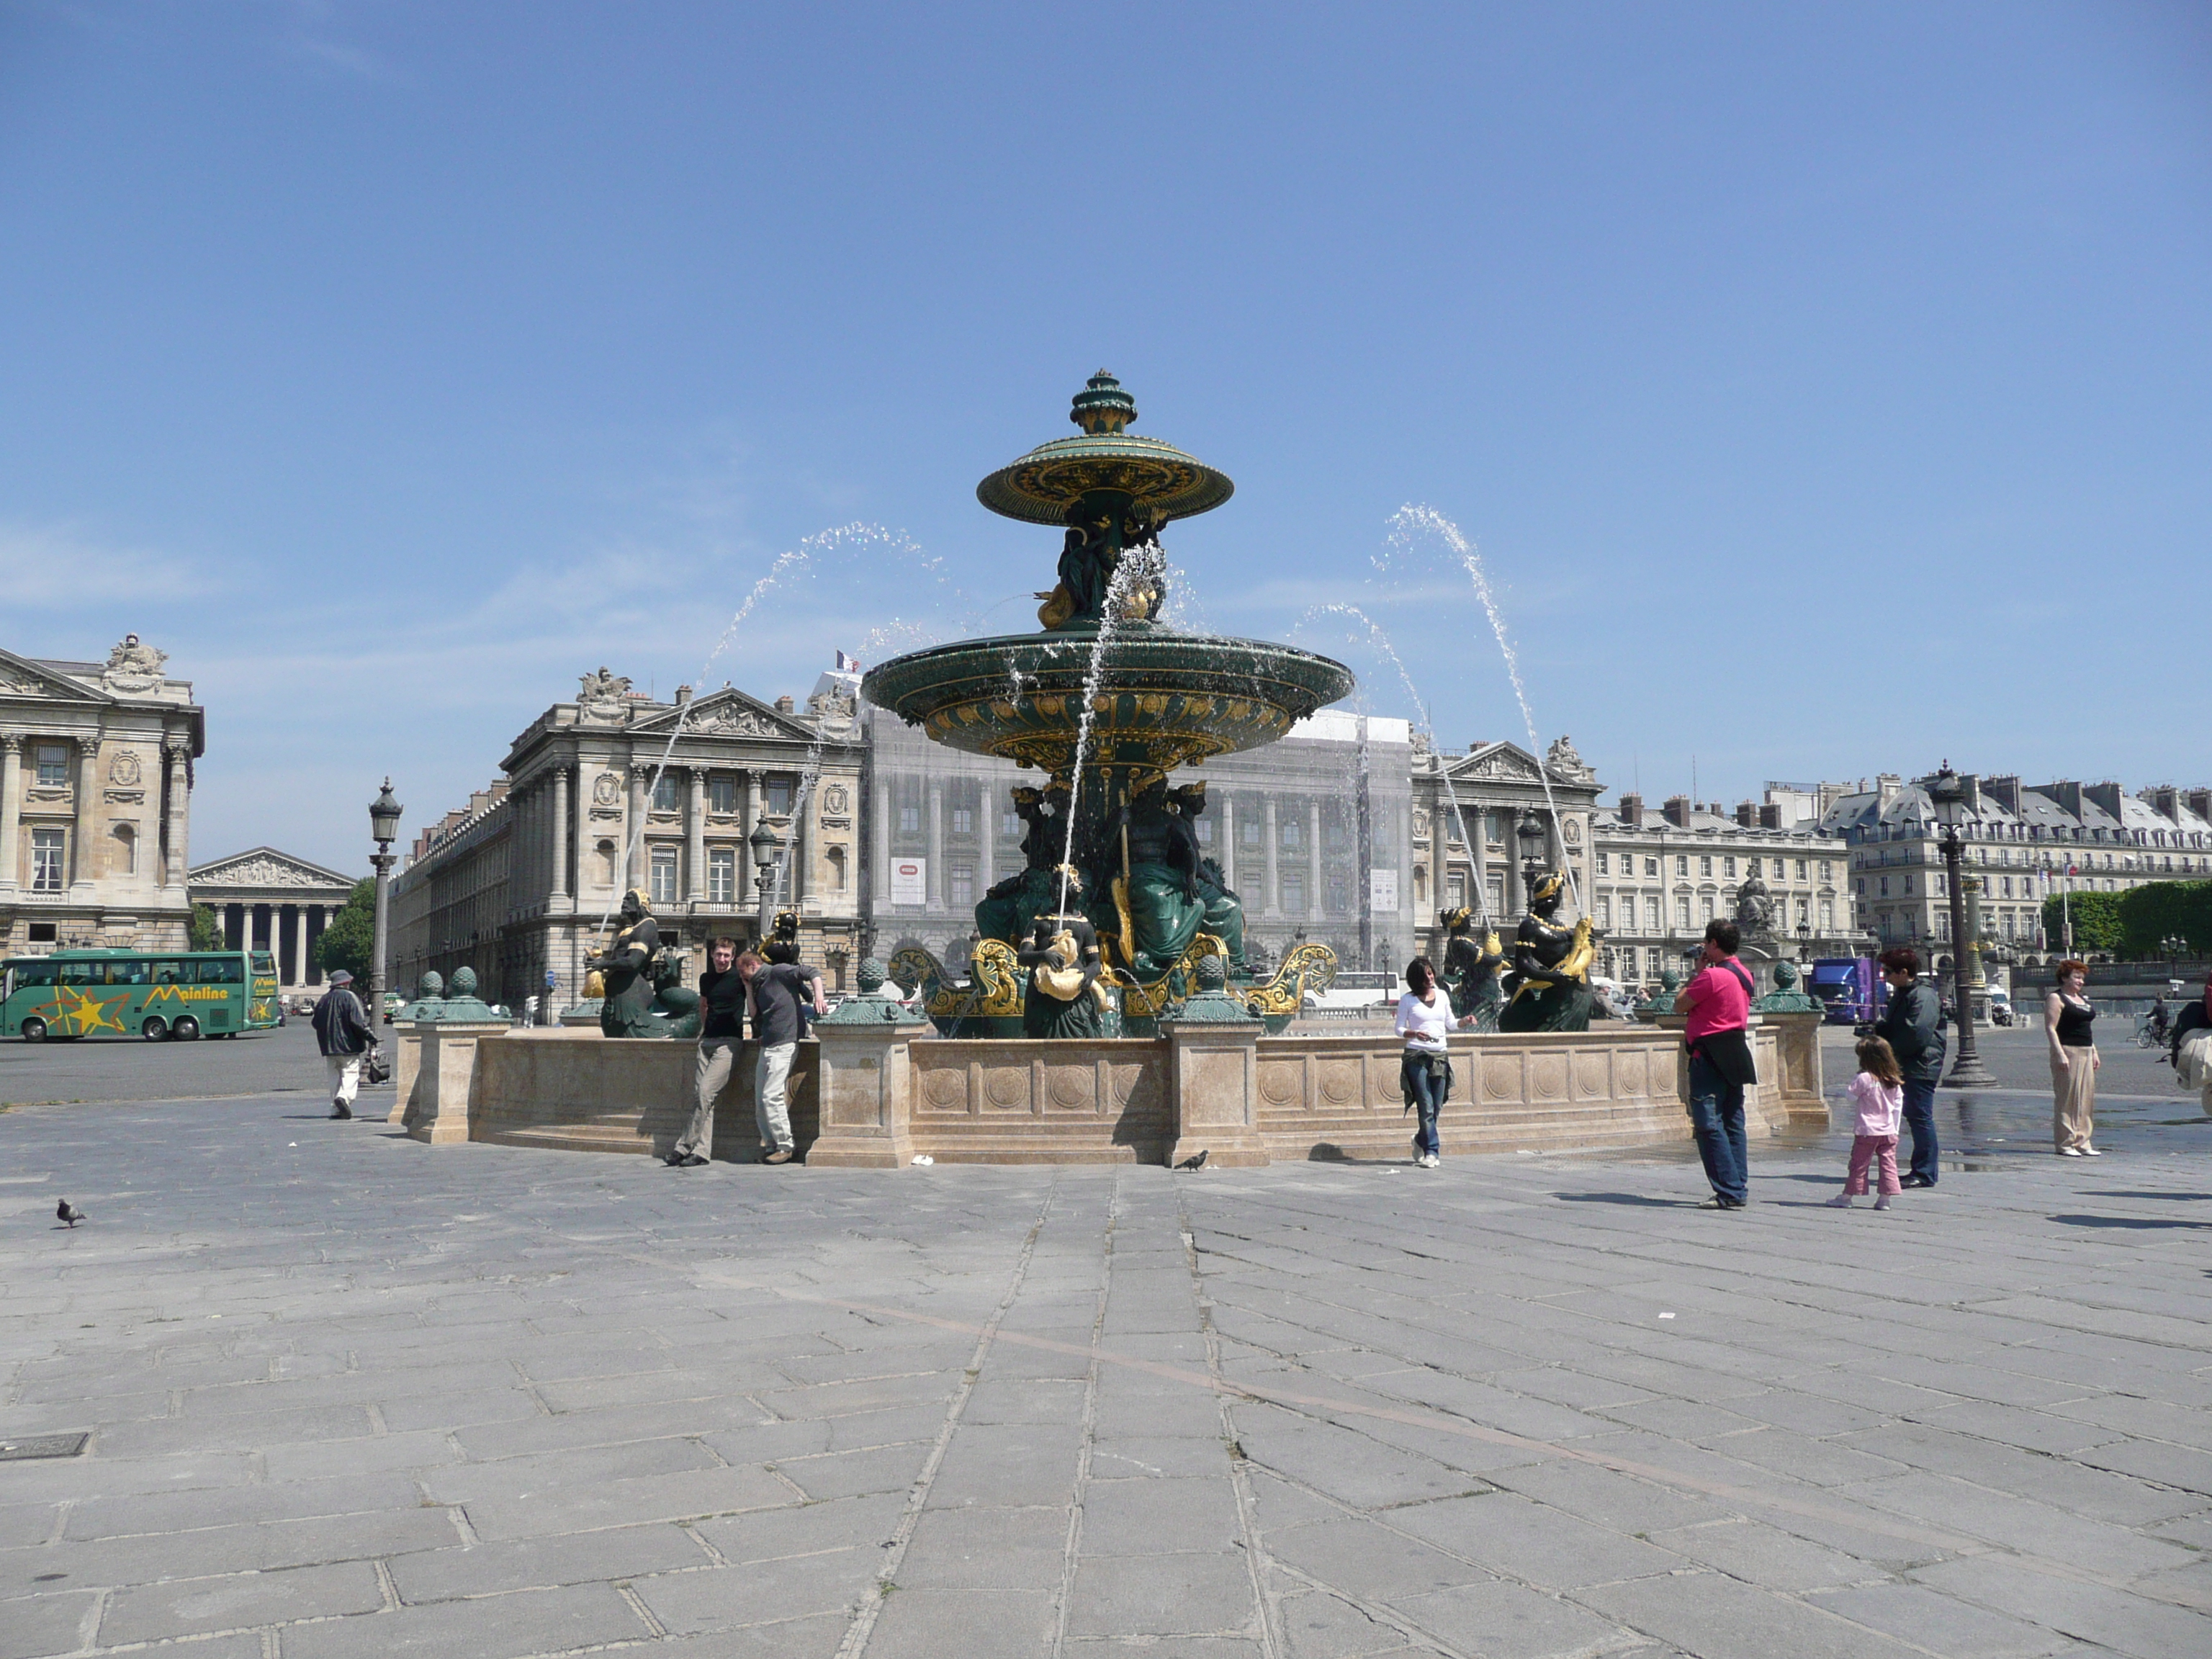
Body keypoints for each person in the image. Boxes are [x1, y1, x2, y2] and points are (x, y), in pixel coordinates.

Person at [1675, 919, 1757, 1210]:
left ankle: (1728, 1190)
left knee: (1708, 1124)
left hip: (1709, 1053)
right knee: (1734, 1122)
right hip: (1736, 1050)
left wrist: (1696, 973)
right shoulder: (1744, 973)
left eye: (1706, 944)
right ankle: (1737, 1185)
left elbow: (1679, 1004)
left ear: (1712, 944)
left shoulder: (1712, 977)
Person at [742, 945, 824, 1164]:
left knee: (771, 1095)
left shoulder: (777, 972)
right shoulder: (757, 984)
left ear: (753, 965)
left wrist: (819, 998)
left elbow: (812, 973)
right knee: (760, 1099)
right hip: (767, 1044)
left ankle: (786, 1146)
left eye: (743, 973)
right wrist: (748, 987)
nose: (743, 978)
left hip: (785, 1043)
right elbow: (753, 1015)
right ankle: (771, 1145)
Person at [1874, 946, 1946, 1188]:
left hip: (1920, 1064)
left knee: (1920, 1116)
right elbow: (1899, 1026)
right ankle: (1922, 1169)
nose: (1884, 976)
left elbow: (1916, 1033)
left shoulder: (1922, 996)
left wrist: (1889, 1053)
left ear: (1904, 972)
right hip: (1911, 1062)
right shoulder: (1904, 992)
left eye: (1887, 971)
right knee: (1915, 1116)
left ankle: (1925, 1172)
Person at [670, 938, 745, 1169]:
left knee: (704, 1093)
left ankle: (683, 1146)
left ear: (733, 957)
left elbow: (755, 1004)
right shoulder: (706, 978)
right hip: (708, 1041)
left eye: (726, 955)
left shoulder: (740, 978)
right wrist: (703, 1030)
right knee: (703, 1099)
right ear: (712, 955)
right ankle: (702, 1152)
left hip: (729, 1043)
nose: (722, 959)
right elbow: (704, 1004)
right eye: (718, 955)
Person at [1396, 956, 1474, 1168]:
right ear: (1416, 979)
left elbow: (1450, 1023)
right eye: (1425, 976)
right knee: (1426, 1105)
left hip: (1439, 1055)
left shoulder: (1441, 995)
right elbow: (1399, 1029)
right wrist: (1413, 1033)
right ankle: (1432, 1151)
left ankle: (1420, 1139)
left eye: (1431, 973)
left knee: (1437, 1105)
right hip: (1416, 1056)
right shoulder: (1408, 1000)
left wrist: (1464, 1021)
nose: (1430, 978)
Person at [1827, 1035, 1904, 1210]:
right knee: (1889, 1165)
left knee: (1859, 1164)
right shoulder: (1892, 1079)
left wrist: (1855, 1082)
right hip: (1889, 1130)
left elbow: (1850, 1097)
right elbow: (1898, 1105)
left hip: (1867, 1130)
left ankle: (1847, 1197)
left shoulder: (1864, 1078)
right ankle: (1885, 1199)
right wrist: (1895, 1128)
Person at [2046, 958, 2101, 1156]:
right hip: (2068, 1050)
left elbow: (2086, 1028)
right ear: (2064, 978)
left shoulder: (2082, 999)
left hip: (2086, 1050)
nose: (2081, 982)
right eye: (2077, 977)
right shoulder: (2056, 998)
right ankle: (2065, 1142)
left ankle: (2083, 1141)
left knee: (2086, 1099)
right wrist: (2059, 1053)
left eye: (2082, 978)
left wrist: (2094, 1051)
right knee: (2067, 1098)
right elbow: (2051, 1028)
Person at [310, 968, 377, 1120]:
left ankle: (335, 1109)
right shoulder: (350, 997)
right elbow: (357, 1022)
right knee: (350, 1073)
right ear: (346, 983)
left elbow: (315, 1023)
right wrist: (370, 1037)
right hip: (349, 1045)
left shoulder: (324, 999)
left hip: (328, 1046)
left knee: (334, 1077)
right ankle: (344, 1098)